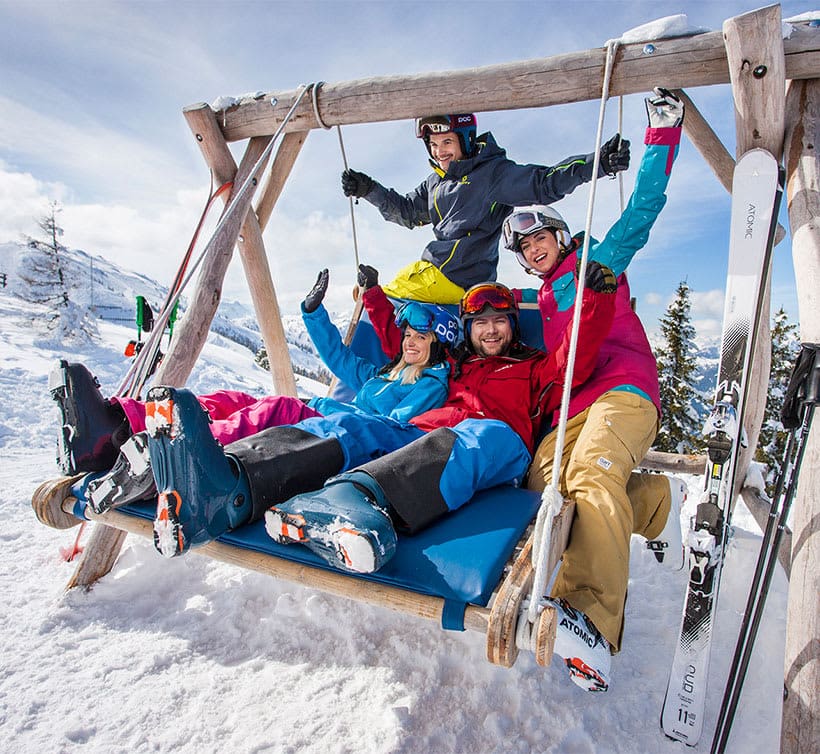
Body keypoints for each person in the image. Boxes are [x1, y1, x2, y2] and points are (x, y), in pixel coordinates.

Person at [267, 274, 616, 691]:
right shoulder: (453, 365)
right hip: (423, 434)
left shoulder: (534, 368)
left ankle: (361, 496)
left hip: (497, 445)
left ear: (512, 326)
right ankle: (246, 479)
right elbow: (403, 339)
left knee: (477, 437)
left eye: (499, 320)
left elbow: (575, 358)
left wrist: (595, 298)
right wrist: (376, 297)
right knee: (361, 426)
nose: (490, 329)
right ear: (468, 330)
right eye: (480, 322)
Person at [33, 271, 456, 535]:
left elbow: (389, 425)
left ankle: (181, 450)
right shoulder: (383, 372)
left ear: (439, 343)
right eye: (408, 335)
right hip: (327, 411)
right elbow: (341, 358)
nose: (410, 342)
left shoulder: (432, 384)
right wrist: (313, 313)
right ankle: (115, 428)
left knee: (276, 410)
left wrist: (330, 410)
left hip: (345, 431)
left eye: (421, 337)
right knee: (232, 399)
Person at [499, 88, 689, 671]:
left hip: (624, 389)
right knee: (541, 484)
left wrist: (661, 135)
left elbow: (642, 211)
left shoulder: (596, 264)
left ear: (559, 235)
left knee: (591, 472)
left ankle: (591, 622)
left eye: (540, 238)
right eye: (524, 248)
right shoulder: (536, 301)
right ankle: (653, 506)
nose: (535, 250)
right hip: (571, 404)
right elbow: (481, 315)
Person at [340, 113, 630, 303]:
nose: (440, 151)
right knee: (367, 298)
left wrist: (598, 164)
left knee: (374, 302)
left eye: (447, 142)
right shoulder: (435, 183)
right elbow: (407, 212)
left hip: (458, 277)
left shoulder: (491, 174)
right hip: (431, 272)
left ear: (465, 141)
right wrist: (369, 190)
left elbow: (543, 183)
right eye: (434, 144)